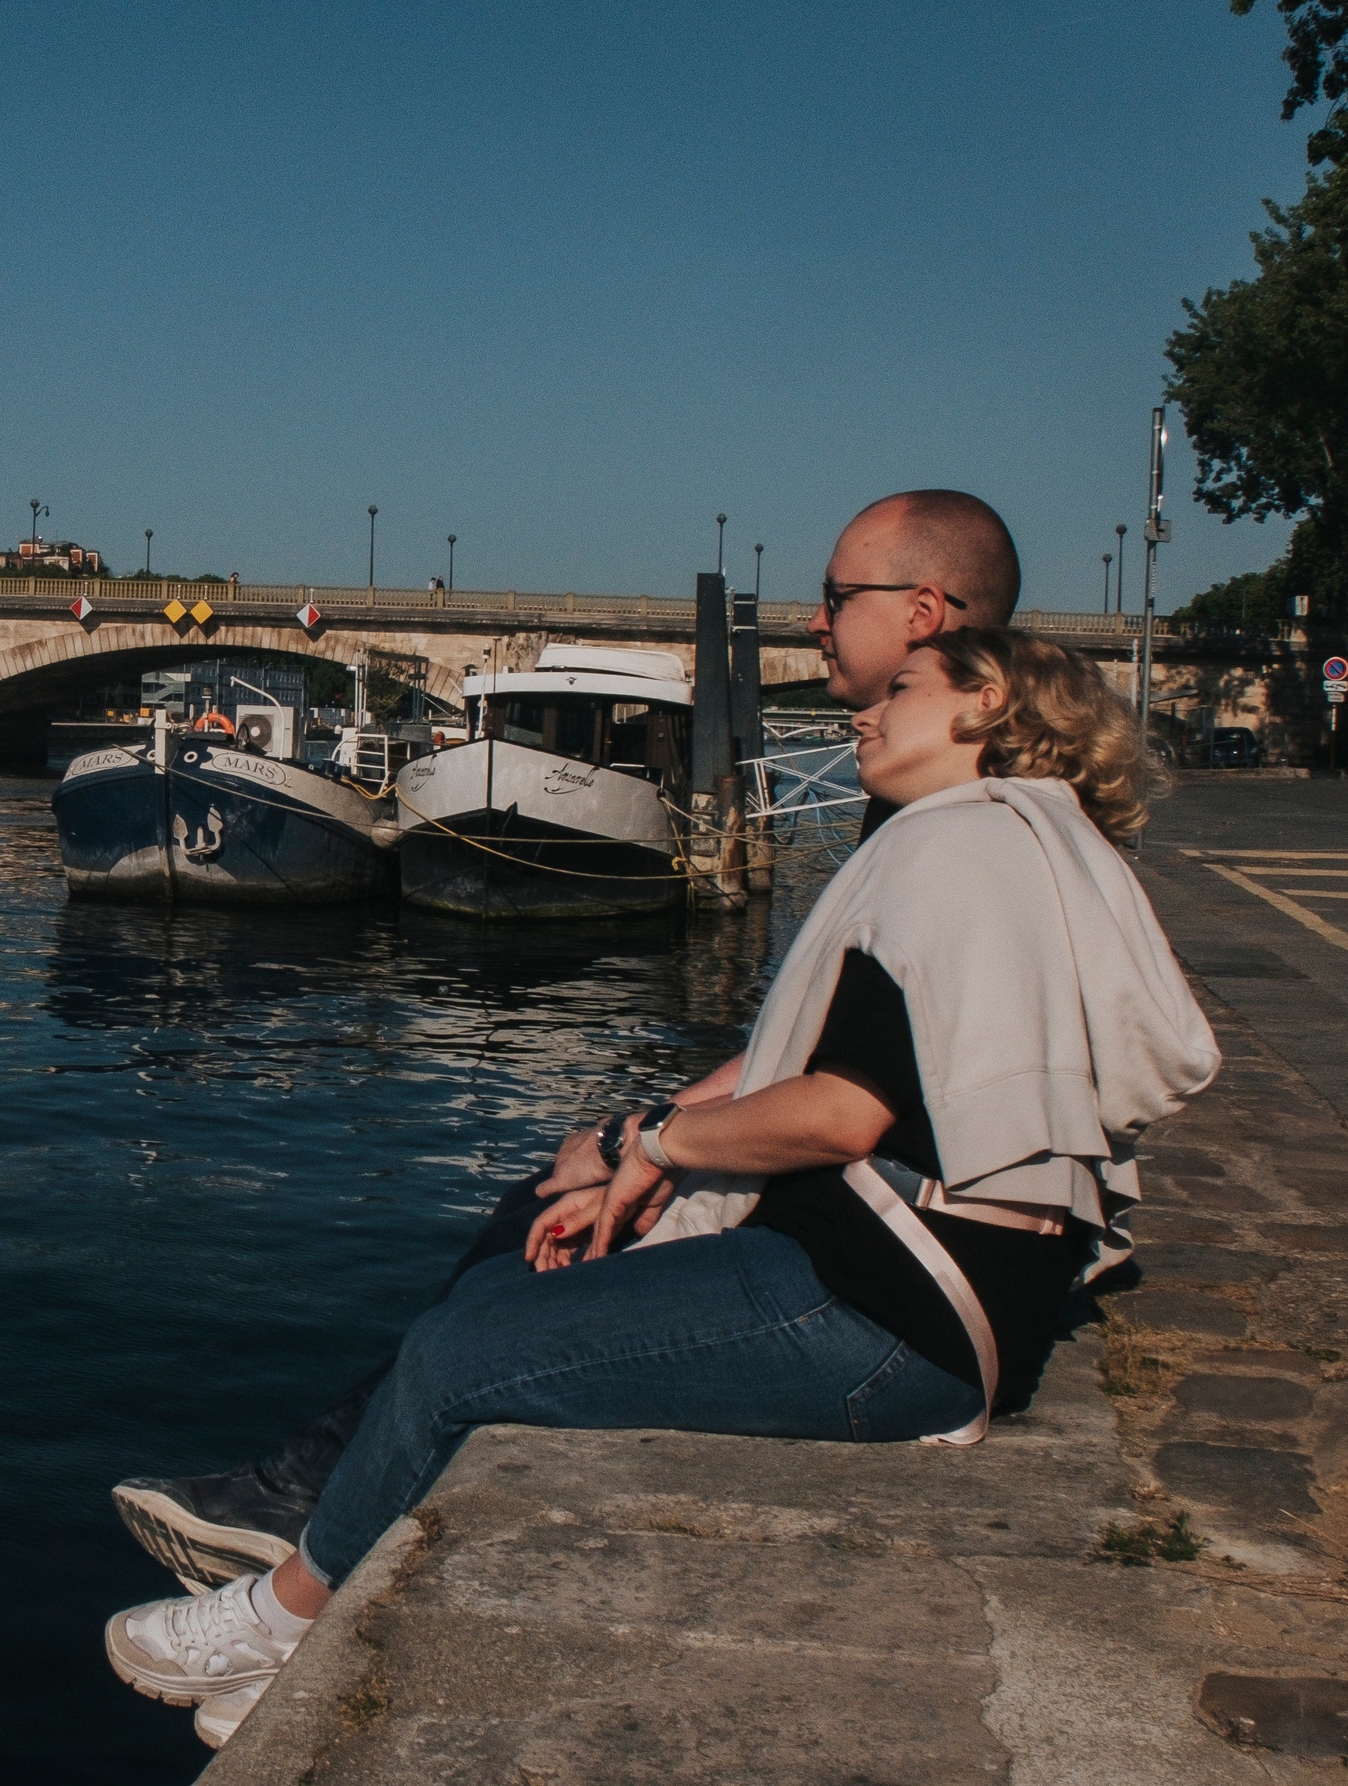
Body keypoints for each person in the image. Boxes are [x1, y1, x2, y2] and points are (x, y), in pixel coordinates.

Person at [104, 624, 1220, 1748]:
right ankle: (297, 1638)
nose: (861, 716)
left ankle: (276, 1617)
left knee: (460, 1355)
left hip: (895, 1315)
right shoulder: (1015, 842)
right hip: (898, 1284)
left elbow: (844, 1107)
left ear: (984, 702)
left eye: (902, 691)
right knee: (496, 1309)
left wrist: (657, 1152)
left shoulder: (961, 850)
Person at [110, 488, 1024, 1592]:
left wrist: (654, 1145)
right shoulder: (931, 799)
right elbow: (819, 1043)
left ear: (922, 612)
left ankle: (293, 1569)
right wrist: (638, 1130)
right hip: (861, 1246)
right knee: (536, 1213)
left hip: (886, 1288)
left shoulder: (962, 822)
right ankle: (312, 1484)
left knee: (495, 1309)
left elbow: (848, 1093)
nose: (812, 624)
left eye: (834, 598)